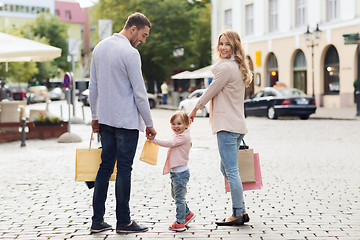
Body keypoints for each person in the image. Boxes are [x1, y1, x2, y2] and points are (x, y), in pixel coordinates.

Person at [89, 12, 157, 233]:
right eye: (144, 35)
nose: (143, 40)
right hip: (126, 123)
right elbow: (139, 93)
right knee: (124, 170)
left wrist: (94, 117)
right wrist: (149, 123)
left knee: (105, 167)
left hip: (106, 121)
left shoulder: (99, 48)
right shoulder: (130, 53)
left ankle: (97, 221)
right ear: (133, 28)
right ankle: (124, 222)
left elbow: (93, 88)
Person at [188, 30, 252, 226]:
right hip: (237, 125)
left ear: (234, 47)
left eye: (227, 44)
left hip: (227, 126)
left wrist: (194, 109)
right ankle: (240, 208)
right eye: (221, 44)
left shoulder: (225, 68)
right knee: (226, 168)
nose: (223, 47)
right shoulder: (238, 67)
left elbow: (210, 91)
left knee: (231, 171)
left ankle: (237, 213)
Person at [150, 111, 195, 232]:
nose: (176, 126)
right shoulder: (179, 135)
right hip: (176, 173)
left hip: (180, 173)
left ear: (186, 124)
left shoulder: (183, 137)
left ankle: (180, 222)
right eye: (173, 124)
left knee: (179, 198)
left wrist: (154, 141)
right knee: (175, 196)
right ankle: (188, 214)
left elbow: (169, 143)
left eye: (179, 123)